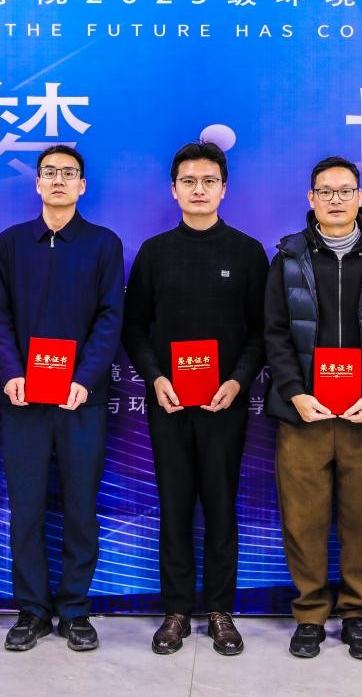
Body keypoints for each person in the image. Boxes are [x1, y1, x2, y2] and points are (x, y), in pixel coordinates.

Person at [122, 141, 268, 657]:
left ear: (224, 189)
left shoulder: (248, 252)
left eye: (209, 181)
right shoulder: (155, 252)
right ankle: (177, 610)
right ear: (174, 190)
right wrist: (155, 377)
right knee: (175, 505)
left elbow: (262, 331)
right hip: (169, 404)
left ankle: (221, 611)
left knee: (222, 506)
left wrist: (239, 381)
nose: (199, 190)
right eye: (189, 181)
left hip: (224, 405)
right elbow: (134, 327)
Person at [263, 156, 362, 661]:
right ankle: (309, 614)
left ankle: (356, 614)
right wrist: (295, 392)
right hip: (304, 415)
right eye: (325, 191)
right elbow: (275, 333)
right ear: (311, 199)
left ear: (360, 197)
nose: (336, 200)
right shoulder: (288, 256)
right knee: (302, 520)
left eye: (345, 191)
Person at [0, 145, 124, 652]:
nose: (59, 181)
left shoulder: (103, 244)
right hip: (23, 400)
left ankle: (74, 609)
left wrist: (85, 378)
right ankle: (31, 609)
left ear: (82, 185)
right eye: (50, 173)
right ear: (37, 183)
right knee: (25, 508)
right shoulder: (11, 243)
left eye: (69, 173)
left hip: (80, 401)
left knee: (80, 507)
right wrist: (11, 372)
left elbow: (110, 317)